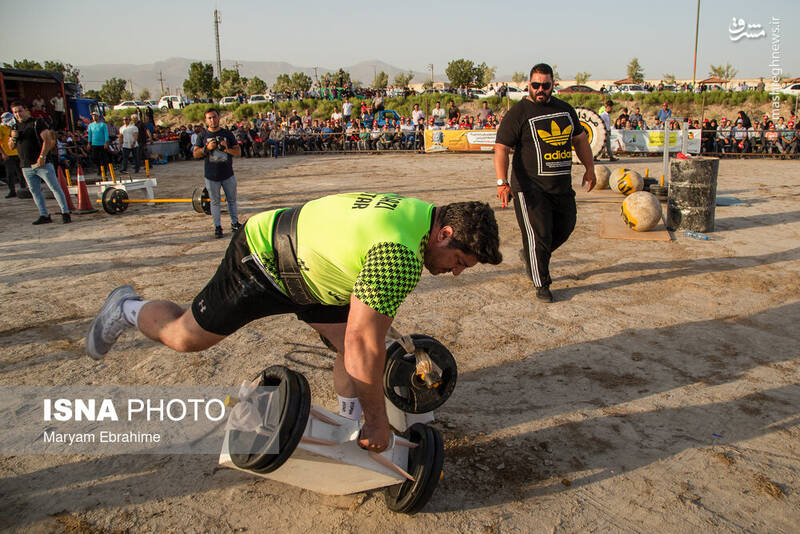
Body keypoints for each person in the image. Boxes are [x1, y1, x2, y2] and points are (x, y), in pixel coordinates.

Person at [85, 193, 501, 452]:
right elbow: (364, 345)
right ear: (445, 233)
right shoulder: (400, 254)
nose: (457, 272)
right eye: (459, 262)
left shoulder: (421, 214)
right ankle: (125, 308)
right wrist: (381, 420)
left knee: (350, 349)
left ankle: (350, 425)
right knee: (184, 337)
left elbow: (359, 342)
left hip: (318, 274)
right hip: (265, 259)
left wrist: (368, 417)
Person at [493, 63, 596, 303]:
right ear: (529, 85)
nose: (541, 89)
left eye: (546, 85)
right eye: (536, 85)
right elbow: (501, 148)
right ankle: (542, 284)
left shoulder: (565, 109)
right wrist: (501, 182)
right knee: (539, 235)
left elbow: (580, 140)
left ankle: (532, 255)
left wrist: (590, 169)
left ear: (553, 85)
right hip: (529, 189)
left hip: (561, 187)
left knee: (566, 226)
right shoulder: (518, 113)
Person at [7, 101, 71, 224]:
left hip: (42, 163)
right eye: (15, 112)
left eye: (20, 111)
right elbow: (11, 147)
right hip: (26, 165)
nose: (18, 114)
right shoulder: (14, 127)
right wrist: (13, 138)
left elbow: (47, 139)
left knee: (54, 188)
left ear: (25, 110)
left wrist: (42, 156)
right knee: (35, 191)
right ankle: (44, 214)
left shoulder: (37, 122)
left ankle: (65, 212)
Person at [193, 108, 241, 239]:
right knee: (215, 202)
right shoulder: (202, 136)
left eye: (214, 117)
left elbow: (238, 151)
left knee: (232, 200)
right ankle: (217, 226)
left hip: (228, 174)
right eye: (209, 118)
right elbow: (195, 153)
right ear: (206, 120)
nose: (212, 120)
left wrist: (226, 148)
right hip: (211, 175)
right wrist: (207, 148)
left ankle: (235, 223)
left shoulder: (227, 134)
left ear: (218, 118)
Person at [0, 112, 24, 197]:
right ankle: (12, 191)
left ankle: (23, 189)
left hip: (18, 153)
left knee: (21, 172)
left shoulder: (14, 126)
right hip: (8, 154)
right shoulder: (1, 127)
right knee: (10, 173)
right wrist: (3, 154)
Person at [87, 112, 109, 177]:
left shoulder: (103, 125)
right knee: (94, 157)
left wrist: (106, 142)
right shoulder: (90, 125)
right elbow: (90, 134)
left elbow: (106, 133)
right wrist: (89, 143)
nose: (94, 117)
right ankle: (99, 168)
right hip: (94, 144)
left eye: (95, 116)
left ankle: (104, 170)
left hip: (102, 144)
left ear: (98, 117)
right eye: (93, 116)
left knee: (103, 157)